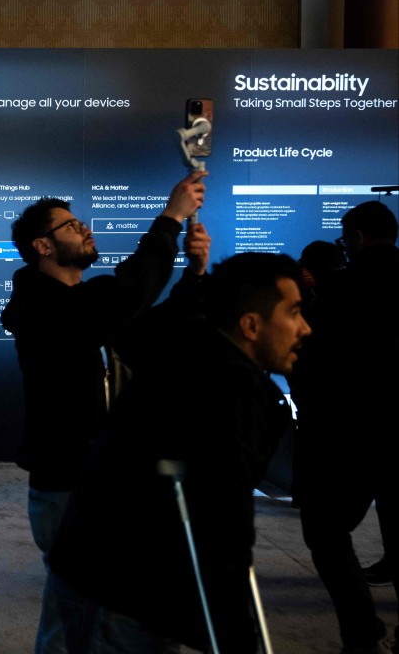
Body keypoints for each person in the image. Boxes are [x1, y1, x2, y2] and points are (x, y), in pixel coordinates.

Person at [52, 252, 311, 653]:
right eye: (294, 312)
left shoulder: (187, 349)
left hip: (102, 571)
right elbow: (222, 526)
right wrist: (236, 635)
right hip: (124, 591)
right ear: (252, 324)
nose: (305, 328)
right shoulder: (229, 392)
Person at [0, 170, 209, 654]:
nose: (85, 229)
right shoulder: (45, 307)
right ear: (42, 246)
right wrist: (170, 219)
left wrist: (195, 276)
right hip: (69, 483)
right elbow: (128, 291)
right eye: (70, 227)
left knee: (77, 613)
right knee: (88, 620)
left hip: (95, 479)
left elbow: (153, 324)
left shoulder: (80, 306)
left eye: (80, 222)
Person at [290, 200, 398, 654]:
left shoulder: (340, 290)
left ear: (354, 239)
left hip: (346, 434)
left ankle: (361, 630)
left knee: (326, 532)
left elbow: (307, 358)